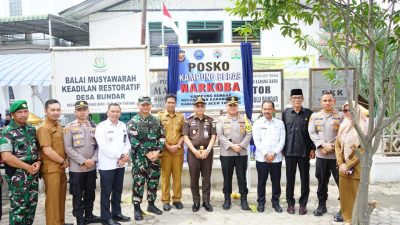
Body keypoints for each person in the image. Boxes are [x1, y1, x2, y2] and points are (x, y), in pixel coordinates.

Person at [0, 100, 41, 225]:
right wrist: (26, 167)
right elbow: (6, 157)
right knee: (19, 208)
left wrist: (38, 161)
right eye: (19, 112)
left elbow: (38, 149)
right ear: (13, 114)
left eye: (25, 111)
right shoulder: (7, 131)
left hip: (32, 174)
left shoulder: (31, 129)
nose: (23, 114)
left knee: (31, 206)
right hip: (17, 175)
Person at [127, 96, 165, 221]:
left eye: (147, 104)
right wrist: (147, 153)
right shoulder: (133, 122)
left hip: (155, 158)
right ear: (138, 105)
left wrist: (158, 151)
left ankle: (151, 205)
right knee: (138, 183)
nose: (145, 107)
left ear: (150, 105)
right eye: (143, 105)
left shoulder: (156, 120)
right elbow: (134, 141)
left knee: (153, 181)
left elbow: (162, 136)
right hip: (140, 159)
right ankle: (137, 208)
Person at [64, 101, 101, 225]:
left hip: (91, 168)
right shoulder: (69, 127)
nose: (82, 112)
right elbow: (68, 148)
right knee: (77, 195)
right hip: (77, 169)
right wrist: (83, 161)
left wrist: (93, 160)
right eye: (79, 110)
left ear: (88, 111)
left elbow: (99, 146)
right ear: (75, 112)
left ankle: (89, 216)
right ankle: (80, 219)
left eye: (84, 109)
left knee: (90, 193)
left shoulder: (93, 126)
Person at [37, 99, 72, 225]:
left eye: (58, 110)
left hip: (61, 168)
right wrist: (63, 160)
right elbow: (47, 150)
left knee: (61, 198)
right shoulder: (43, 128)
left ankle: (60, 221)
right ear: (46, 111)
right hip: (51, 169)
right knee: (52, 201)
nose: (56, 112)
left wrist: (65, 161)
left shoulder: (59, 126)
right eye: (52, 110)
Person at [308, 92, 342, 220]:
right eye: (324, 100)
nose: (327, 102)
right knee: (322, 182)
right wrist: (321, 145)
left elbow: (343, 133)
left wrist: (332, 146)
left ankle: (343, 207)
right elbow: (312, 132)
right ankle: (322, 205)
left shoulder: (341, 116)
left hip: (337, 157)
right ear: (321, 102)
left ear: (334, 101)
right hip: (321, 156)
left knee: (341, 183)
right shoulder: (315, 116)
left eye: (329, 100)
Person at [95, 103, 131, 225]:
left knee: (118, 190)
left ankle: (116, 214)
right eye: (113, 111)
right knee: (106, 192)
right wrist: (120, 156)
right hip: (107, 165)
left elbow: (127, 143)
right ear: (107, 112)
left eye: (117, 111)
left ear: (120, 113)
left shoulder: (122, 125)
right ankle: (106, 217)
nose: (115, 113)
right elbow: (104, 147)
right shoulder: (101, 126)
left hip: (120, 164)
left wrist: (125, 156)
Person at [282, 89, 315, 215]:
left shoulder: (309, 113)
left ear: (303, 99)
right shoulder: (286, 114)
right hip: (289, 152)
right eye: (294, 98)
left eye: (299, 97)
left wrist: (312, 148)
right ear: (290, 99)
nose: (297, 100)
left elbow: (312, 132)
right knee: (290, 179)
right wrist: (282, 149)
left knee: (304, 179)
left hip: (304, 152)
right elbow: (283, 132)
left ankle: (303, 204)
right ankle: (290, 204)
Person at [216, 96, 252, 210]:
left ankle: (244, 199)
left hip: (241, 153)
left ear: (237, 106)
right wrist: (232, 146)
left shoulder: (245, 118)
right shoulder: (221, 119)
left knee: (242, 177)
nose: (232, 107)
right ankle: (227, 199)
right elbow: (220, 135)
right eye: (230, 105)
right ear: (226, 106)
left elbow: (249, 133)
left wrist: (240, 146)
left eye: (234, 105)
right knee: (227, 177)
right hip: (226, 154)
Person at [183, 96, 217, 212]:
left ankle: (206, 201)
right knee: (194, 178)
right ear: (194, 107)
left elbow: (213, 136)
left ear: (205, 107)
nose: (200, 107)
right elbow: (185, 137)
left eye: (202, 105)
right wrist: (194, 151)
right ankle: (196, 201)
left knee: (206, 177)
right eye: (198, 105)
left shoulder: (210, 120)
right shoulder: (188, 120)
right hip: (193, 153)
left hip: (207, 152)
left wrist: (207, 150)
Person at [335, 102, 367, 224]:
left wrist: (348, 164)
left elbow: (362, 149)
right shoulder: (344, 125)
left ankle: (357, 219)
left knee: (356, 195)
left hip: (357, 167)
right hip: (343, 167)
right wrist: (341, 163)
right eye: (345, 110)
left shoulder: (363, 126)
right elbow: (338, 145)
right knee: (345, 196)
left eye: (351, 110)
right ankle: (347, 218)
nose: (348, 112)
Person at [253, 100, 285, 213]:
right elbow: (257, 141)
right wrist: (266, 154)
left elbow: (282, 140)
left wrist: (274, 153)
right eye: (265, 109)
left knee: (276, 181)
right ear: (262, 110)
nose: (267, 111)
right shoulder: (257, 123)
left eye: (269, 109)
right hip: (262, 158)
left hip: (276, 158)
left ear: (273, 110)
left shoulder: (280, 123)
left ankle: (275, 202)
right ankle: (261, 202)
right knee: (261, 181)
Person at [156, 94, 185, 211]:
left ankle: (177, 199)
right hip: (165, 152)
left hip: (178, 151)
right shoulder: (159, 116)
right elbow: (158, 135)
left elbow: (184, 134)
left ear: (175, 103)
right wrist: (167, 146)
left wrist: (177, 145)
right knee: (165, 177)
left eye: (173, 102)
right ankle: (166, 200)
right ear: (165, 103)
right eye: (169, 102)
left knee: (177, 176)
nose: (171, 104)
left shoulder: (181, 117)